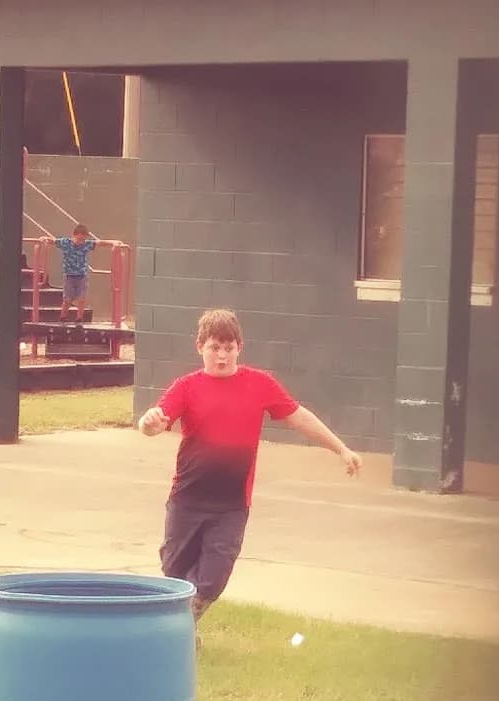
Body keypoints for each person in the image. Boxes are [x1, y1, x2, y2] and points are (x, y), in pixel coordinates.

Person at [138, 307, 362, 637]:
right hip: (186, 500)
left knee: (213, 577)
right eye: (215, 347)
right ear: (199, 347)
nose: (222, 356)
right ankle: (178, 635)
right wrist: (148, 423)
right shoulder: (186, 387)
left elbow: (299, 418)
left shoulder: (260, 384)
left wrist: (341, 448)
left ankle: (176, 632)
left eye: (229, 348)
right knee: (175, 573)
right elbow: (154, 424)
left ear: (239, 348)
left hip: (231, 505)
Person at [51, 224, 111, 325]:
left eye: (83, 239)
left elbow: (99, 243)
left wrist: (113, 242)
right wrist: (45, 239)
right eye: (79, 239)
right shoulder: (66, 242)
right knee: (67, 299)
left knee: (81, 299)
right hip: (69, 276)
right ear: (74, 236)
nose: (80, 242)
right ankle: (62, 318)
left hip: (82, 276)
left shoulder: (86, 244)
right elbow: (53, 241)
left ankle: (79, 319)